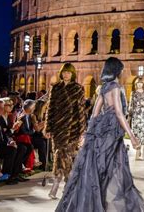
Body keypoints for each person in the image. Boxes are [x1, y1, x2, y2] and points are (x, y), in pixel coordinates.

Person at [55, 57, 144, 212]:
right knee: (114, 169)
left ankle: (99, 204)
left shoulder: (104, 87)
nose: (121, 71)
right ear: (116, 70)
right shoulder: (115, 87)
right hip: (112, 132)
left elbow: (94, 113)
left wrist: (88, 133)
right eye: (120, 69)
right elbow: (119, 113)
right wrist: (132, 136)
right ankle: (109, 205)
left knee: (98, 168)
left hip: (100, 131)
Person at [45, 63, 86, 199]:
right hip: (57, 128)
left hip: (72, 128)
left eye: (68, 72)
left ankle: (58, 185)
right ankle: (68, 185)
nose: (66, 74)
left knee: (64, 155)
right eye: (64, 72)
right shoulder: (55, 88)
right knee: (60, 154)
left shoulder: (78, 89)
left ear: (72, 73)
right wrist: (48, 127)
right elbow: (50, 109)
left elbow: (80, 111)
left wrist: (81, 132)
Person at [0, 99, 26, 185]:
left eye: (3, 107)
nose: (2, 110)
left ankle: (15, 174)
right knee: (11, 150)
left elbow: (6, 133)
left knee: (22, 147)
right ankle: (6, 175)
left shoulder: (0, 118)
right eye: (0, 108)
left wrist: (11, 139)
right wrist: (7, 144)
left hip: (2, 144)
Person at [128, 78, 144, 160]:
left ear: (143, 84)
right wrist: (129, 115)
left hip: (143, 116)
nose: (139, 84)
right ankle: (137, 152)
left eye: (141, 83)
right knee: (136, 134)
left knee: (143, 134)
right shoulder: (133, 93)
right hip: (136, 116)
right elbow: (131, 105)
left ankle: (142, 153)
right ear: (136, 84)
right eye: (138, 83)